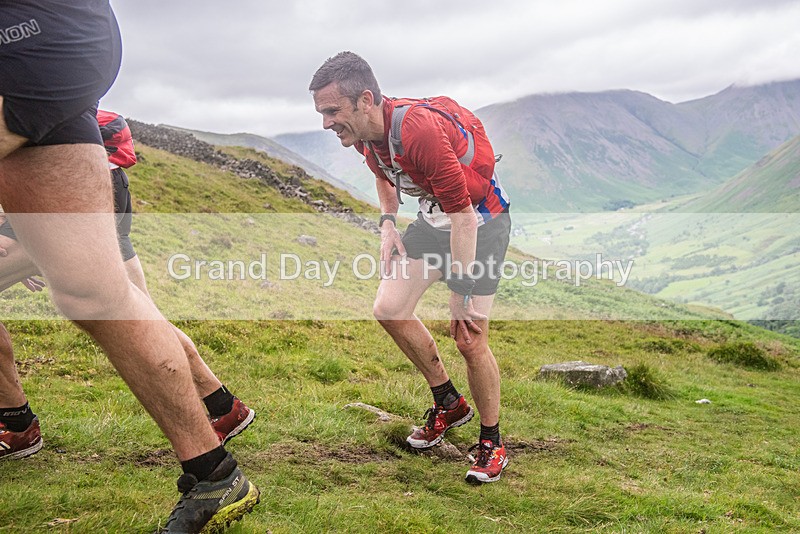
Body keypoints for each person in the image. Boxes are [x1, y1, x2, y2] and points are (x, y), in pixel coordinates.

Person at [0, 2, 258, 531]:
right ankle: (214, 472)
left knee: (107, 294)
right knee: (94, 295)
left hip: (30, 45)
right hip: (59, 52)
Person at [0, 109, 255, 461]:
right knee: (142, 315)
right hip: (105, 186)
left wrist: (22, 237)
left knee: (130, 315)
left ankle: (17, 426)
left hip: (64, 190)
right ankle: (224, 405)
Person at [310, 52, 512, 484]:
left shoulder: (417, 129)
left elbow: (463, 217)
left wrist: (461, 292)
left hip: (481, 223)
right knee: (389, 307)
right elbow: (384, 175)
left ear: (365, 100)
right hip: (436, 220)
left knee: (469, 338)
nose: (326, 123)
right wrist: (387, 223)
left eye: (332, 111)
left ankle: (492, 443)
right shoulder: (365, 135)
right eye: (322, 113)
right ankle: (448, 401)